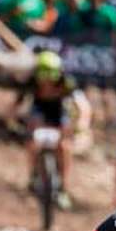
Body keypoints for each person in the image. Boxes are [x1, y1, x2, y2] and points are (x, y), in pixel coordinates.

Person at [14, 50, 76, 209]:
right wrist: (13, 122)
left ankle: (64, 187)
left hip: (59, 113)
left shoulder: (66, 83)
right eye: (43, 74)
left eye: (50, 74)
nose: (47, 80)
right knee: (31, 142)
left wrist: (80, 125)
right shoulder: (31, 83)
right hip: (39, 112)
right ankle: (33, 176)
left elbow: (80, 107)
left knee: (64, 146)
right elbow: (14, 106)